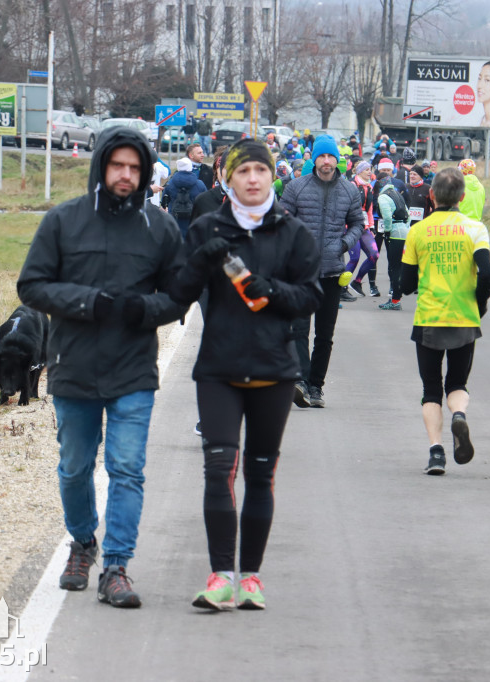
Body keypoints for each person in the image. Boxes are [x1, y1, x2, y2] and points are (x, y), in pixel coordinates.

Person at [18, 126, 187, 607]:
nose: (126, 175)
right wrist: (89, 302)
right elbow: (32, 286)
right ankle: (83, 543)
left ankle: (116, 566)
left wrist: (144, 310)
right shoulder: (64, 221)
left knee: (127, 469)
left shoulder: (160, 227)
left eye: (135, 168)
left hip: (133, 369)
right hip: (73, 365)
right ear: (101, 167)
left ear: (146, 173)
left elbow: (179, 296)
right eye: (118, 166)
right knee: (74, 468)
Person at [167, 139, 321, 610]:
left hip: (274, 369)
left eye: (260, 170)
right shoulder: (207, 227)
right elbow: (177, 293)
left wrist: (267, 290)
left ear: (272, 176)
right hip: (219, 367)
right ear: (227, 179)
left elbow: (310, 297)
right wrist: (198, 260)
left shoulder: (293, 232)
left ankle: (250, 578)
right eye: (243, 171)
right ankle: (220, 577)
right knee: (218, 470)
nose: (252, 178)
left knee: (260, 473)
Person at [400, 168, 490, 474]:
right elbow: (487, 272)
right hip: (464, 317)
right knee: (457, 383)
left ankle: (436, 453)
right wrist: (479, 304)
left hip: (429, 316)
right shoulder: (475, 228)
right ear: (463, 197)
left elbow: (405, 284)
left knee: (431, 388)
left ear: (431, 195)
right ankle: (460, 416)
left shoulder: (418, 231)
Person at [281, 134, 365, 408]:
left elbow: (357, 224)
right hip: (301, 272)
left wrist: (343, 243)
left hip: (331, 272)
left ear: (336, 160)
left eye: (330, 156)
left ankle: (316, 386)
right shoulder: (296, 187)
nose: (326, 161)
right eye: (322, 156)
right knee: (299, 330)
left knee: (325, 335)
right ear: (314, 158)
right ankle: (301, 382)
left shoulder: (350, 191)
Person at [377, 159, 412, 311]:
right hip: (405, 230)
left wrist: (388, 231)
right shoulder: (397, 193)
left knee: (394, 267)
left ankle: (395, 300)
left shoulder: (383, 197)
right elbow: (408, 214)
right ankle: (396, 297)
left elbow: (386, 216)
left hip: (395, 233)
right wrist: (405, 227)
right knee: (400, 265)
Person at [344, 160, 381, 297]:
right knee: (355, 258)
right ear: (359, 171)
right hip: (351, 226)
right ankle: (342, 288)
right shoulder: (351, 185)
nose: (370, 172)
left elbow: (369, 209)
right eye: (367, 170)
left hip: (364, 226)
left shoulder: (369, 187)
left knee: (374, 255)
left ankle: (357, 282)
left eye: (370, 169)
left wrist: (371, 226)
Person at [163, 157, 207, 239]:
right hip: (193, 221)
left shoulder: (170, 184)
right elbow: (206, 201)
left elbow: (164, 201)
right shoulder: (199, 184)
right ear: (190, 167)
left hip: (174, 221)